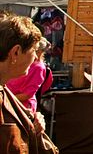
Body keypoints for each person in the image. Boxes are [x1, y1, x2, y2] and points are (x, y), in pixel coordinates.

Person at [0, 15, 54, 152]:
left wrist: (32, 127)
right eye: (33, 50)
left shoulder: (4, 90)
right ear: (16, 52)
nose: (36, 56)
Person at [6, 37, 53, 113]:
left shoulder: (39, 68)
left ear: (39, 52)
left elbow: (27, 94)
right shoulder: (23, 62)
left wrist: (6, 98)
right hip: (9, 101)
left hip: (21, 106)